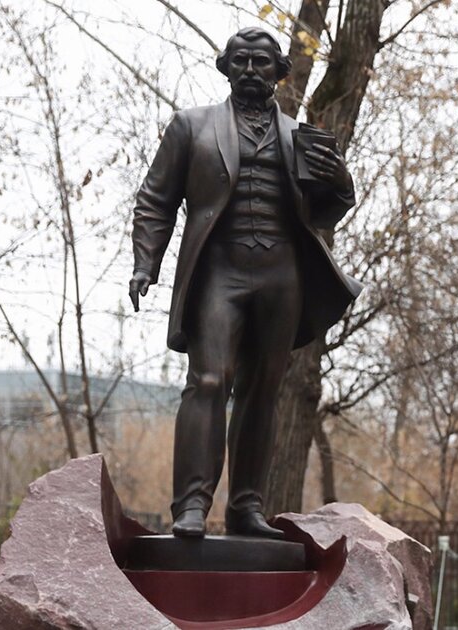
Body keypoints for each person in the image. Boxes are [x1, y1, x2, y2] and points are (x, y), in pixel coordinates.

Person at [128, 27, 361, 538]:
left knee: (262, 391)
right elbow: (155, 200)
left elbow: (326, 211)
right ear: (226, 68)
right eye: (240, 61)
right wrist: (146, 262)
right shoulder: (191, 127)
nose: (250, 70)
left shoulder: (299, 136)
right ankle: (191, 505)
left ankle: (246, 508)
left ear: (280, 72)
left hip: (282, 275)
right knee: (209, 381)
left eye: (260, 62)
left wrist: (340, 181)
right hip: (219, 271)